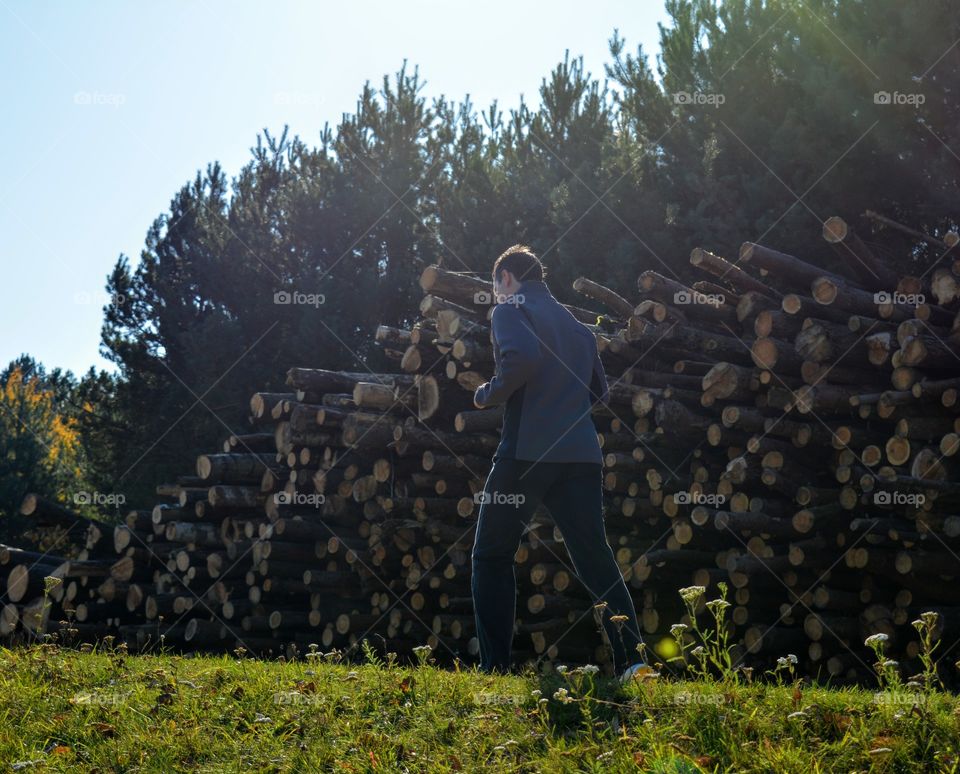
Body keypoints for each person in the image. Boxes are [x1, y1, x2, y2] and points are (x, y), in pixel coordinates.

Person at [469, 244, 647, 683]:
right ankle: (634, 662)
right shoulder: (579, 328)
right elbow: (600, 395)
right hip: (581, 454)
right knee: (594, 557)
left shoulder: (511, 309)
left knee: (491, 554)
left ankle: (494, 669)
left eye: (495, 286)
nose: (496, 296)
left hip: (526, 453)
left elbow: (523, 360)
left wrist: (487, 393)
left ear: (506, 278)